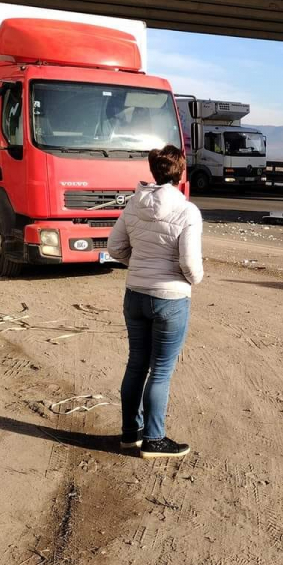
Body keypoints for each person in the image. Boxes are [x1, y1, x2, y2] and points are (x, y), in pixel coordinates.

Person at [107, 145, 203, 459]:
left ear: (154, 171)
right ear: (181, 172)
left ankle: (129, 434)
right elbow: (189, 263)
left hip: (135, 294)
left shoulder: (133, 206)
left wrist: (139, 265)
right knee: (160, 371)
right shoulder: (187, 211)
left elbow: (115, 247)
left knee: (136, 364)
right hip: (170, 299)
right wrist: (194, 280)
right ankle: (154, 439)